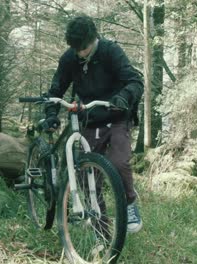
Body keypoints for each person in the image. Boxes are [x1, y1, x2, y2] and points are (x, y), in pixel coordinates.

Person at [45, 15, 143, 233]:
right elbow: (55, 90)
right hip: (91, 119)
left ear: (94, 38)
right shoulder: (70, 58)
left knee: (118, 163)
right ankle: (102, 232)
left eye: (84, 47)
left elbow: (135, 81)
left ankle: (129, 204)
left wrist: (123, 98)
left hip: (117, 115)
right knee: (86, 174)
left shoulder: (110, 51)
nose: (81, 52)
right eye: (76, 48)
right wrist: (51, 113)